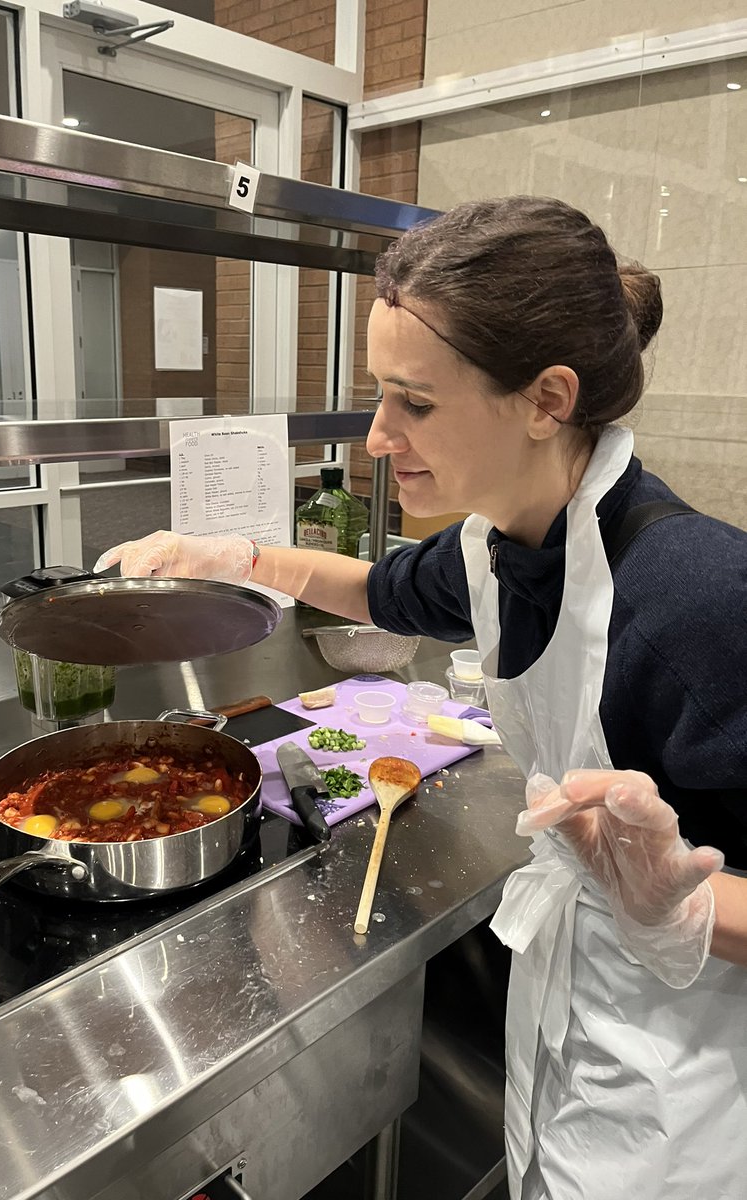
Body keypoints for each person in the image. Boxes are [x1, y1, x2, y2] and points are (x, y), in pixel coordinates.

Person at [94, 196, 747, 1199]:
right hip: (574, 1013)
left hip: (691, 1083)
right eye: (377, 396)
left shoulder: (694, 602)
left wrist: (689, 904)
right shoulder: (500, 542)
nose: (376, 438)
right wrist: (234, 557)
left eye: (416, 402)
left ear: (546, 399)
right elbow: (379, 590)